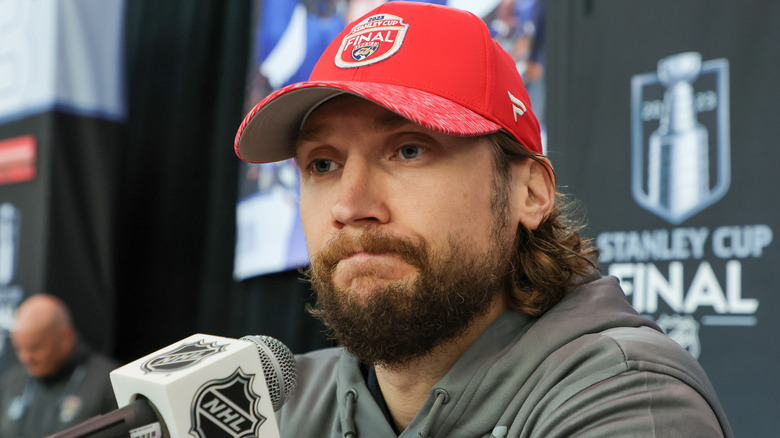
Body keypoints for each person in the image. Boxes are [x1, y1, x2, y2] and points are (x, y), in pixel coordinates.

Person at [234, 2, 733, 437]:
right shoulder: (273, 403)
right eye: (323, 164)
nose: (350, 205)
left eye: (409, 150)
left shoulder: (627, 398)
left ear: (531, 192)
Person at [0, 294, 118, 437]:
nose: (26, 358)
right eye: (19, 349)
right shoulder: (12, 382)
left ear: (66, 338)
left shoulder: (108, 383)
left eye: (35, 348)